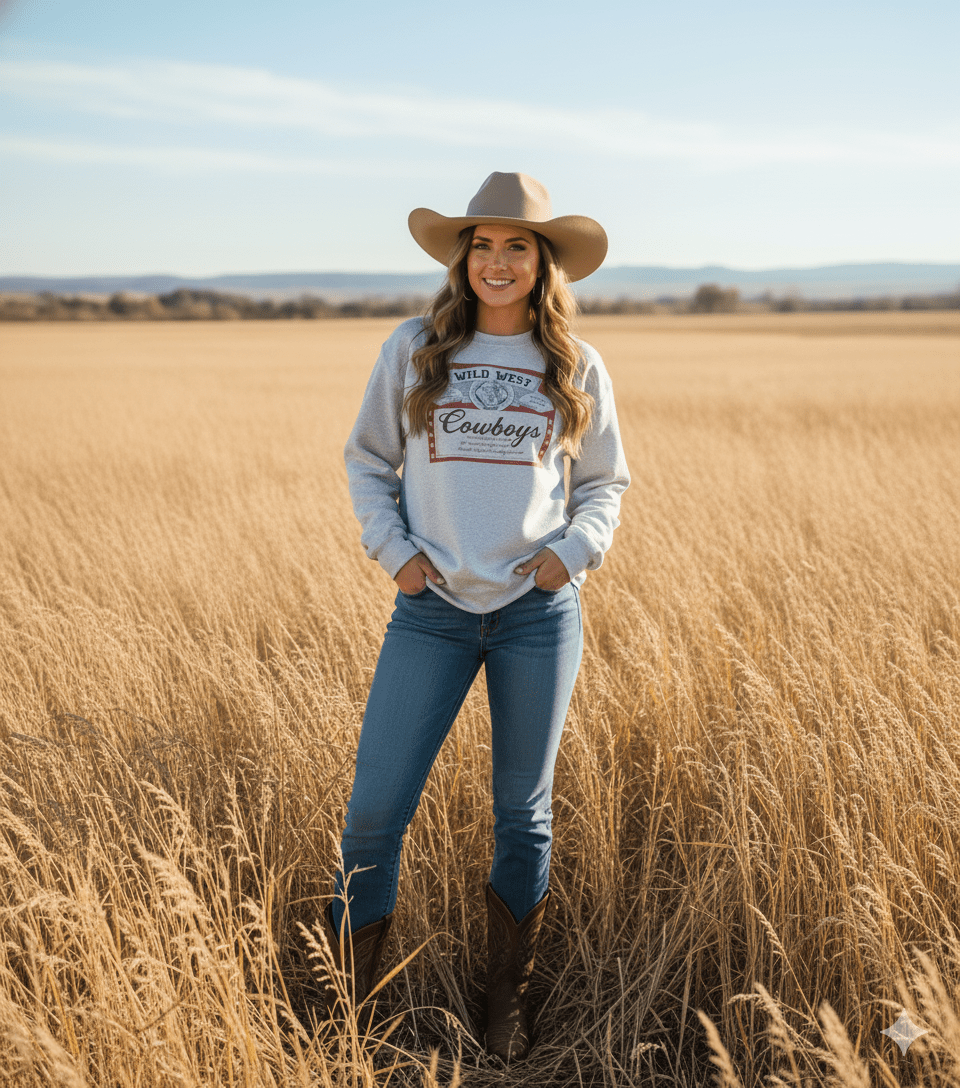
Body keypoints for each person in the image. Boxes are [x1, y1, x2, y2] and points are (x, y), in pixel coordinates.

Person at [324, 172, 630, 1062]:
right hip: (432, 615)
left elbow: (606, 482)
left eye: (517, 246)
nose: (497, 262)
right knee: (375, 811)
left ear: (543, 264)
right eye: (482, 246)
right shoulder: (416, 349)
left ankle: (505, 1004)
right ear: (462, 260)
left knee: (521, 817)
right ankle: (349, 1005)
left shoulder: (574, 364)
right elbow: (366, 462)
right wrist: (397, 556)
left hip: (539, 616)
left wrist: (568, 556)